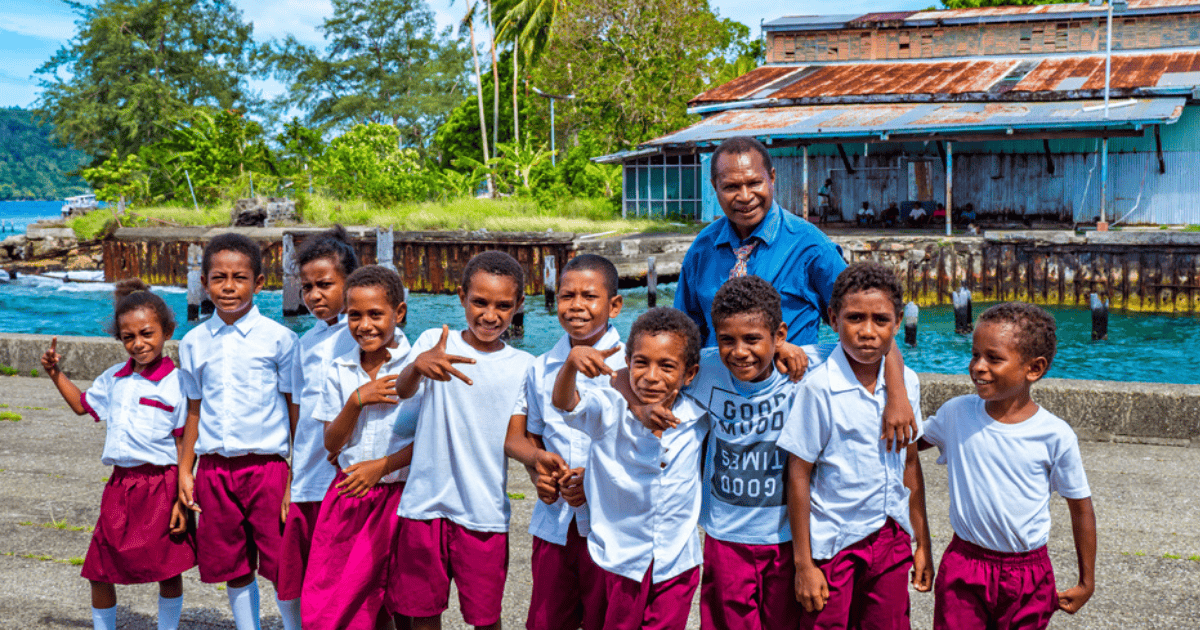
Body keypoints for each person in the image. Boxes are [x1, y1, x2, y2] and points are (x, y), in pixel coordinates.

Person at [675, 135, 918, 449]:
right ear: (715, 187)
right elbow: (684, 332)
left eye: (754, 183)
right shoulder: (702, 249)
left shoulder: (809, 245)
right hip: (719, 409)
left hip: (789, 408)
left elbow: (865, 319)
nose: (745, 196)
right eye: (732, 187)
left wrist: (897, 394)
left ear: (772, 178)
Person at [920, 303, 1096, 630]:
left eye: (994, 358)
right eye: (974, 355)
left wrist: (1087, 580)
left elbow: (1081, 507)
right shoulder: (956, 413)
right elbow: (908, 440)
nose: (978, 367)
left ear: (1034, 368)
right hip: (965, 565)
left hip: (1030, 572)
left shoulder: (1055, 434)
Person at [777, 262, 933, 629]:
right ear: (833, 319)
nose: (867, 332)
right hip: (834, 541)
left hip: (891, 536)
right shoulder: (819, 388)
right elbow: (798, 474)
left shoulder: (906, 383)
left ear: (898, 323)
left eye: (881, 320)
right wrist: (804, 564)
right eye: (854, 318)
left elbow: (909, 463)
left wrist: (922, 541)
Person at [392, 251, 536, 630]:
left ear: (519, 304)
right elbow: (404, 391)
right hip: (424, 506)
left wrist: (540, 460)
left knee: (486, 618)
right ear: (461, 297)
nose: (490, 315)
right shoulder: (433, 342)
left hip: (484, 512)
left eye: (503, 306)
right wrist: (416, 365)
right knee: (422, 615)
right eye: (480, 302)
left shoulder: (524, 366)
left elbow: (514, 439)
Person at [41, 279, 195, 630]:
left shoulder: (178, 383)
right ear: (120, 339)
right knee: (99, 568)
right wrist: (55, 373)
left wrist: (181, 500)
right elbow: (83, 406)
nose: (138, 344)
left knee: (167, 568)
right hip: (121, 485)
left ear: (167, 331)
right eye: (129, 337)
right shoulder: (114, 378)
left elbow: (184, 443)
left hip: (162, 484)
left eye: (147, 333)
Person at [687, 276, 831, 630]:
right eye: (727, 340)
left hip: (786, 539)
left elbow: (877, 346)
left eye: (753, 339)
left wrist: (789, 348)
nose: (739, 351)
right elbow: (637, 368)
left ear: (779, 334)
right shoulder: (704, 368)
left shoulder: (811, 365)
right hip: (726, 538)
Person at [552, 307, 708, 630]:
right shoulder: (608, 408)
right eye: (641, 362)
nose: (651, 376)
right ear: (627, 362)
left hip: (677, 561)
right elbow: (565, 404)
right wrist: (570, 365)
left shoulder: (698, 415)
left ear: (690, 374)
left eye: (667, 366)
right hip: (619, 559)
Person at [176, 233, 301, 630]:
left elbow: (293, 410)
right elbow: (194, 409)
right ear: (204, 282)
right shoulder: (193, 342)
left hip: (268, 469)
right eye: (218, 278)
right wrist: (185, 469)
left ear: (259, 283)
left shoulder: (281, 339)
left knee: (284, 562)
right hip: (214, 470)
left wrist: (295, 476)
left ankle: (294, 625)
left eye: (239, 277)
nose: (229, 287)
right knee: (233, 561)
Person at [504, 254, 624, 630]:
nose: (576, 306)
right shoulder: (541, 367)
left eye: (589, 296)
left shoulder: (632, 366)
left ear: (614, 305)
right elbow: (530, 436)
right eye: (566, 295)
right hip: (555, 521)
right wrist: (538, 467)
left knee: (604, 617)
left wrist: (594, 479)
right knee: (547, 619)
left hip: (613, 522)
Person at [302, 265, 414, 629]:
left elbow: (430, 440)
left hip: (401, 495)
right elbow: (331, 442)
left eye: (376, 314)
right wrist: (356, 400)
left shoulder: (414, 367)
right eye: (355, 315)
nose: (364, 325)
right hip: (349, 495)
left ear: (398, 314)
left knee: (400, 596)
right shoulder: (339, 368)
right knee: (342, 598)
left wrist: (381, 466)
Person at [277, 226, 361, 617]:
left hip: (347, 479)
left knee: (349, 582)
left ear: (351, 282)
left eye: (325, 284)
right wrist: (290, 481)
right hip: (308, 479)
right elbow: (298, 414)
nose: (314, 295)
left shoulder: (365, 335)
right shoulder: (304, 344)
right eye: (307, 286)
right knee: (296, 577)